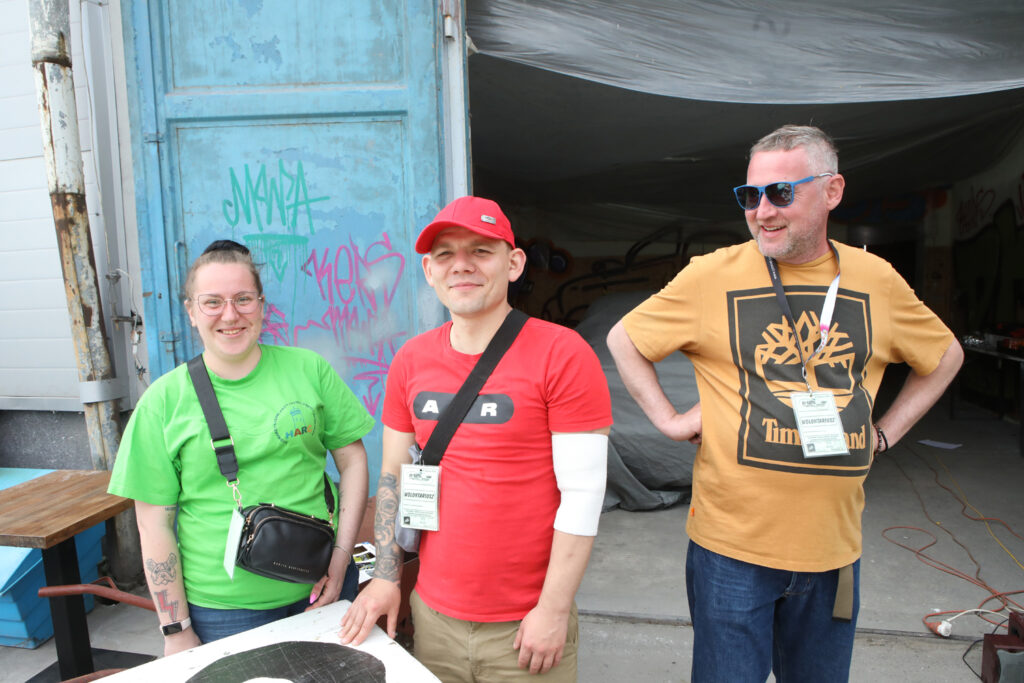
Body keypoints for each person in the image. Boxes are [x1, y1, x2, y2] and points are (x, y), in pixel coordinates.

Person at [607, 125, 963, 682]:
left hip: (832, 552)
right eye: (750, 196)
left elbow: (944, 356)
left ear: (832, 190)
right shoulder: (711, 275)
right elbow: (625, 339)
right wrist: (669, 421)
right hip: (730, 553)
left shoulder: (876, 279)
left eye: (781, 193)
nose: (763, 211)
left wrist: (886, 432)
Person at [339, 196, 613, 682]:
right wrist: (385, 576)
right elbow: (394, 476)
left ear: (514, 264)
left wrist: (553, 610)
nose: (461, 265)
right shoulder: (410, 360)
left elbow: (583, 495)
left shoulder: (563, 354)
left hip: (526, 625)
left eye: (481, 251)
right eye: (445, 254)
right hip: (432, 617)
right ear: (429, 271)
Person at [109, 239, 373, 655]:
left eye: (243, 299)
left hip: (325, 584)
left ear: (262, 305)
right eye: (212, 302)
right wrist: (175, 629)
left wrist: (341, 559)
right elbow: (154, 524)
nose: (230, 315)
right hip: (225, 612)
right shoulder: (163, 401)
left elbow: (353, 459)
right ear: (191, 311)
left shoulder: (310, 369)